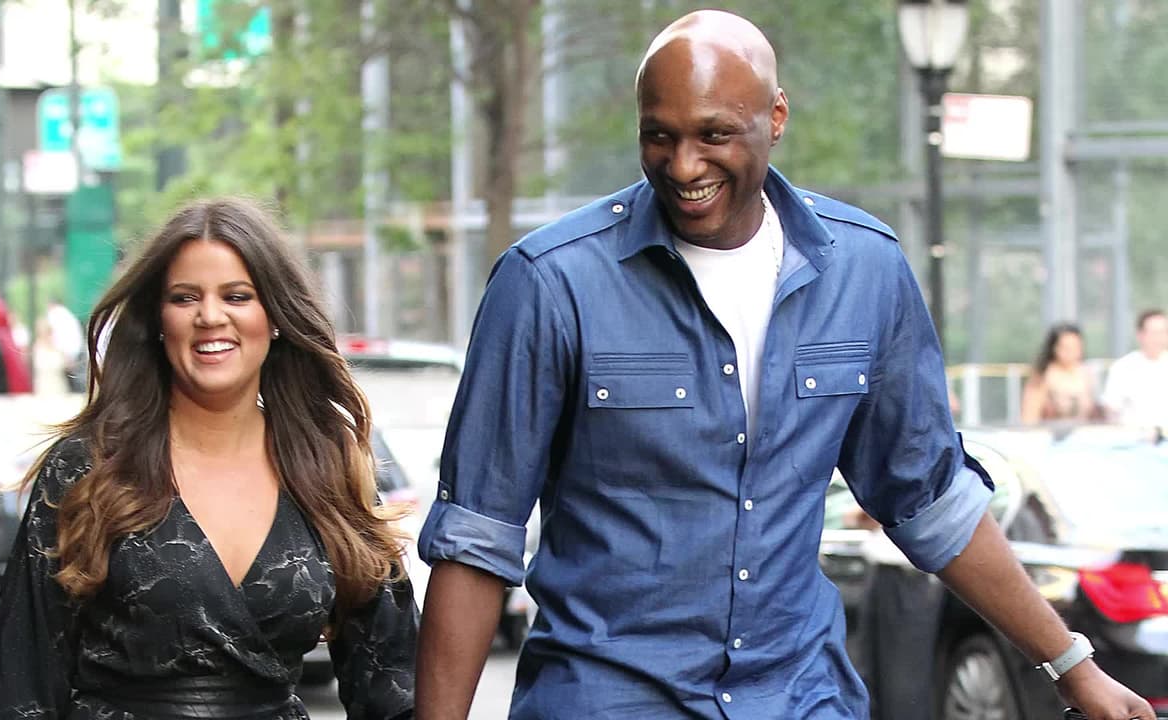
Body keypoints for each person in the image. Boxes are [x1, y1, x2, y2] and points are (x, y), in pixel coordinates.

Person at [415, 11, 1153, 720]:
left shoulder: (864, 270)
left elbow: (929, 500)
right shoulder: (549, 284)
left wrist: (1073, 666)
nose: (684, 165)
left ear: (775, 118)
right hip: (608, 699)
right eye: (659, 136)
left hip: (801, 695)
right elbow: (477, 539)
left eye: (714, 135)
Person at [0, 197, 417, 720]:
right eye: (185, 298)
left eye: (237, 296)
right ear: (159, 320)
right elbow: (21, 685)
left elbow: (392, 679)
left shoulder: (327, 463)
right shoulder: (88, 466)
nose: (210, 316)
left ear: (275, 316)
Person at [1021, 323, 1102, 424]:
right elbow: (1029, 417)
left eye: (1076, 347)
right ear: (1054, 348)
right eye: (1066, 347)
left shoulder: (1086, 374)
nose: (1071, 352)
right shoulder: (1043, 376)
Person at [1101, 308, 1168, 429]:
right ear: (1140, 335)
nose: (1159, 338)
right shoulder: (1123, 367)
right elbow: (1111, 407)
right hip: (1133, 436)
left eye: (1163, 332)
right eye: (1154, 333)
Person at [45, 297, 86, 391]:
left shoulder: (55, 314)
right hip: (74, 354)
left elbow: (57, 338)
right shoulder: (69, 316)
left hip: (65, 356)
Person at [31, 317, 71, 395]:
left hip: (59, 387)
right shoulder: (36, 349)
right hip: (43, 388)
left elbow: (68, 366)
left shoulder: (58, 348)